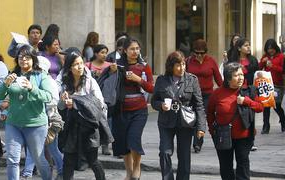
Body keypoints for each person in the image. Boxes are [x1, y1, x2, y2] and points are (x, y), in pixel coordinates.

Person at [0, 45, 52, 180]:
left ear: (33, 59)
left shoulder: (40, 76)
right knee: (12, 160)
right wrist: (5, 84)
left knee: (39, 160)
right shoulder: (12, 75)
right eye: (21, 57)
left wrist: (32, 88)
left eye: (27, 57)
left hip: (36, 125)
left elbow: (48, 96)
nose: (24, 60)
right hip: (13, 124)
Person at [151, 51, 206, 180]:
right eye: (178, 65)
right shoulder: (162, 80)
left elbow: (199, 105)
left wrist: (201, 127)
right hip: (166, 122)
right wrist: (161, 106)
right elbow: (154, 101)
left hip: (185, 122)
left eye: (183, 64)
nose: (181, 68)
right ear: (171, 66)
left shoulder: (192, 80)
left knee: (184, 155)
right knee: (165, 152)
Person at [58, 49, 110, 180]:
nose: (80, 67)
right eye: (76, 64)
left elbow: (99, 103)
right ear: (69, 67)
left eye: (81, 63)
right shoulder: (65, 83)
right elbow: (60, 106)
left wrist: (75, 102)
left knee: (93, 160)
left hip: (89, 126)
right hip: (71, 125)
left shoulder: (90, 81)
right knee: (68, 160)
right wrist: (63, 100)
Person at [207, 62, 263, 180]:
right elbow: (210, 113)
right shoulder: (217, 93)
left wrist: (247, 101)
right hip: (223, 136)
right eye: (236, 75)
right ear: (228, 78)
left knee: (243, 165)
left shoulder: (248, 91)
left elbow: (260, 107)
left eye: (242, 75)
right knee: (226, 167)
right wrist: (213, 132)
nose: (240, 78)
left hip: (244, 136)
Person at [113, 37, 154, 180]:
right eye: (132, 49)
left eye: (137, 49)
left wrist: (138, 80)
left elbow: (151, 87)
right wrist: (112, 72)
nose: (135, 51)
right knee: (123, 142)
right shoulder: (117, 66)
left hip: (139, 110)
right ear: (125, 50)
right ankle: (129, 171)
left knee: (133, 139)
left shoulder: (144, 66)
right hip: (121, 109)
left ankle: (137, 167)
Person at [186, 39, 223, 153]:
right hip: (191, 95)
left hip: (207, 95)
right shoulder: (188, 61)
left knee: (201, 118)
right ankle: (195, 141)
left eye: (202, 53)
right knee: (192, 118)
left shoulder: (211, 61)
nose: (199, 55)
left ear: (206, 52)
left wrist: (225, 92)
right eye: (196, 53)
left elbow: (218, 79)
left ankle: (197, 143)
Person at [228, 38, 260, 151]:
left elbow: (258, 75)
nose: (248, 47)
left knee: (251, 115)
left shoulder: (253, 60)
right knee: (238, 114)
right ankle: (233, 138)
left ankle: (250, 141)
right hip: (236, 90)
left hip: (250, 90)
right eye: (246, 45)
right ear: (239, 48)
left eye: (249, 45)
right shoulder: (232, 60)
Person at [85, 44, 117, 155]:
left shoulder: (110, 66)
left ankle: (105, 145)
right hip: (91, 98)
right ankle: (92, 145)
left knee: (106, 121)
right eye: (102, 52)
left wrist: (112, 72)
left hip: (105, 97)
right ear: (96, 53)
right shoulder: (88, 65)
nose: (104, 55)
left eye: (105, 52)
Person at [259, 39, 285, 133]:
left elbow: (282, 70)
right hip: (267, 84)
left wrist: (272, 65)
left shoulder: (281, 56)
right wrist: (263, 61)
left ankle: (283, 121)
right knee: (266, 106)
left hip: (278, 85)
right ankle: (266, 126)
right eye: (268, 49)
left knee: (276, 105)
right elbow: (258, 68)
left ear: (275, 48)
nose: (270, 51)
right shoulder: (265, 56)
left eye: (272, 48)